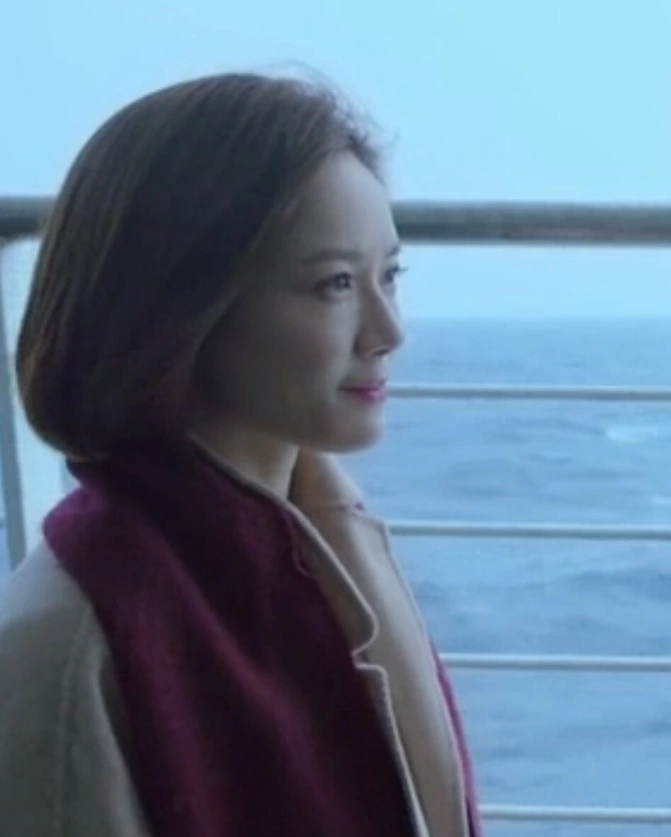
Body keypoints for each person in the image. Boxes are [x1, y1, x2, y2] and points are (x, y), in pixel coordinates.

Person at [0, 72, 481, 837]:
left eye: (389, 275)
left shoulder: (326, 547)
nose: (390, 330)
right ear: (179, 308)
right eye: (334, 284)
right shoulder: (69, 641)